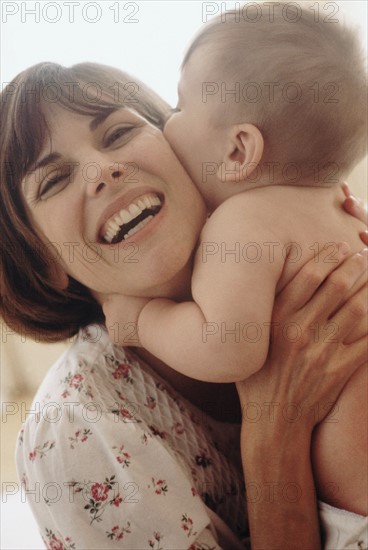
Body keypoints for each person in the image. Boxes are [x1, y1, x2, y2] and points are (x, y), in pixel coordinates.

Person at [0, 62, 366, 550]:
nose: (101, 170)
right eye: (53, 181)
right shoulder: (77, 432)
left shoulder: (297, 256)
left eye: (119, 132)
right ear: (40, 262)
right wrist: (275, 427)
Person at [103, 2, 368, 530]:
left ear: (238, 150)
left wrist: (141, 320)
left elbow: (228, 346)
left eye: (178, 107)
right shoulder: (335, 205)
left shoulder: (243, 222)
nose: (168, 125)